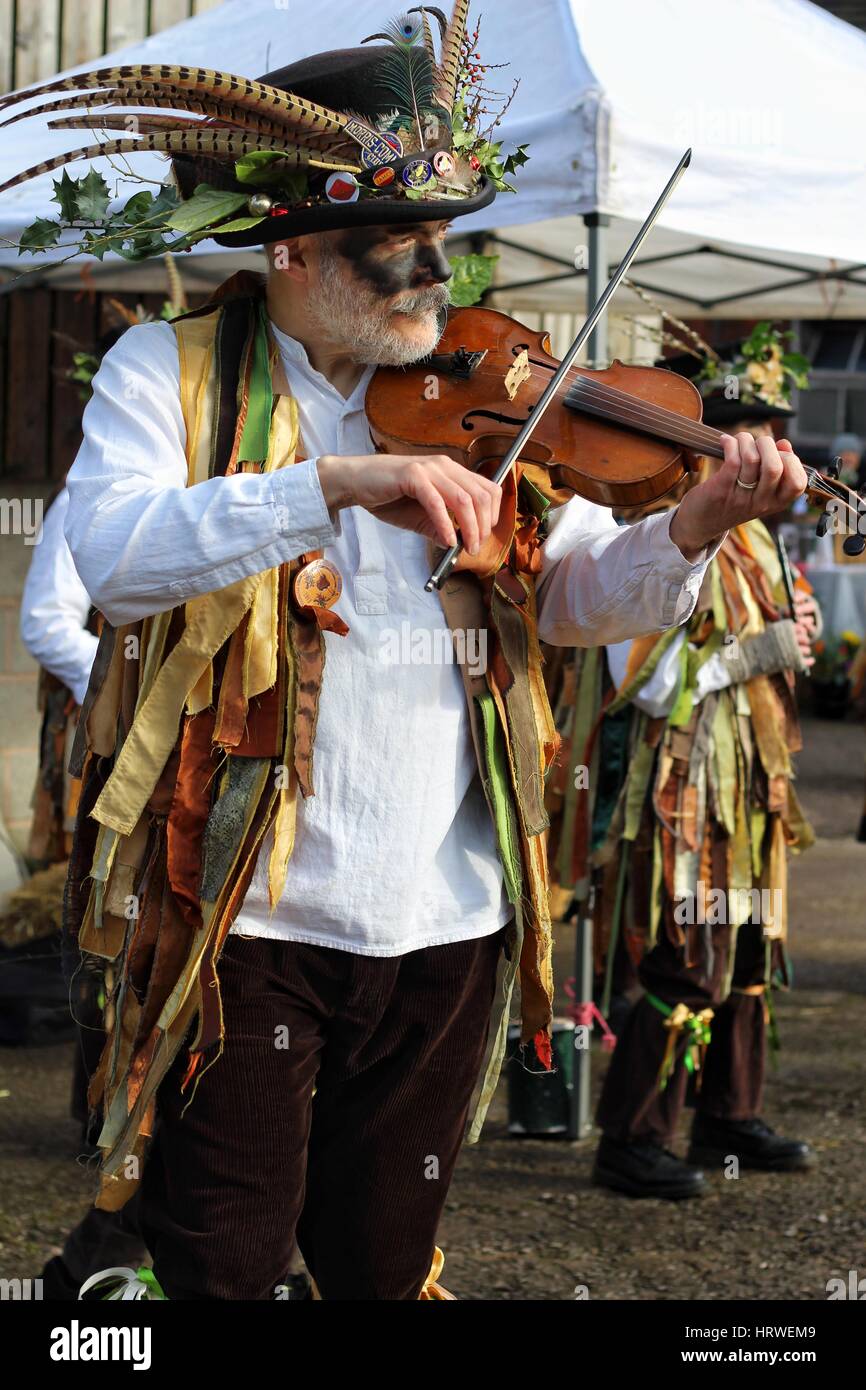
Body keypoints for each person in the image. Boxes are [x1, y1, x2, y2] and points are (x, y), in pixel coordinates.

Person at [3, 9, 808, 1297]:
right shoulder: (169, 371)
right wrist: (329, 483)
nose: (440, 278)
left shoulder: (492, 392)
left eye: (445, 243)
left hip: (449, 915)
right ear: (298, 251)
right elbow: (110, 556)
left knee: (383, 1266)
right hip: (251, 917)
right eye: (402, 250)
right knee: (221, 1263)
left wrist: (694, 530)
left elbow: (578, 597)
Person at [547, 331, 820, 1200]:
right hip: (684, 788)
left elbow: (773, 636)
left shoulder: (766, 544)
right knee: (683, 959)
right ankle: (631, 1138)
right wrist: (750, 655)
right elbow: (648, 682)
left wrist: (794, 633)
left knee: (746, 948)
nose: (774, 460)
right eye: (755, 439)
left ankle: (726, 1117)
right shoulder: (656, 527)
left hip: (751, 786)